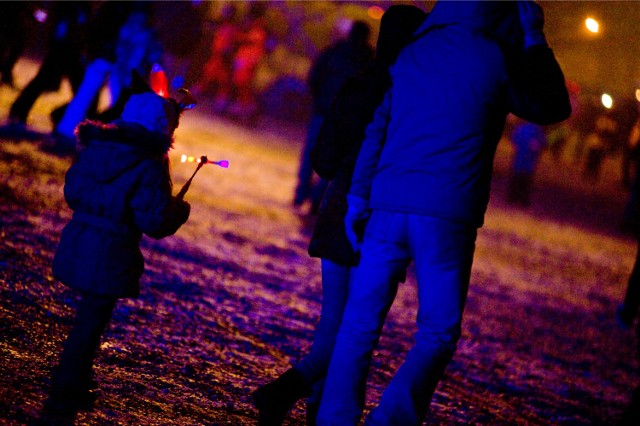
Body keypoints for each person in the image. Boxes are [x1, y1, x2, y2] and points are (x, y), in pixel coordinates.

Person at [316, 1, 571, 424]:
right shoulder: (497, 54)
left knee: (359, 323)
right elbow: (552, 105)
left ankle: (336, 419)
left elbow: (379, 126)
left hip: (387, 204)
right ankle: (391, 418)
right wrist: (534, 37)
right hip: (447, 211)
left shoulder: (415, 49)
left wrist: (358, 198)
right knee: (436, 331)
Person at [251, 7, 428, 425]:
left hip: (339, 211)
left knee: (336, 326)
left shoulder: (360, 83)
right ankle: (284, 393)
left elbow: (324, 158)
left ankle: (311, 407)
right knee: (354, 333)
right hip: (378, 220)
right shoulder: (413, 96)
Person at [41, 79, 192, 417]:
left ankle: (75, 384)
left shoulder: (96, 147)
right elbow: (153, 221)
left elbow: (74, 192)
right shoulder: (150, 163)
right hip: (112, 251)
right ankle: (65, 393)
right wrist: (177, 210)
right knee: (89, 327)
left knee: (87, 323)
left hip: (79, 240)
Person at [293, 19, 374, 213]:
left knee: (311, 152)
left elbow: (314, 78)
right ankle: (317, 197)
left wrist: (320, 98)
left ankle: (301, 192)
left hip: (322, 111)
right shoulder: (368, 62)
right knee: (335, 159)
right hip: (347, 119)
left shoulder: (333, 52)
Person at [3, 2, 91, 135]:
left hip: (68, 47)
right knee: (80, 88)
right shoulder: (74, 6)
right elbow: (65, 22)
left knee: (49, 81)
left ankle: (22, 110)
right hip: (66, 47)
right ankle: (25, 111)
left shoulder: (80, 7)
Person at [507, 118, 547, 207]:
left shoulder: (522, 128)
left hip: (520, 160)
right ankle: (522, 199)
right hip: (529, 162)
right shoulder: (537, 131)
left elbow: (514, 138)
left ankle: (513, 198)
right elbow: (542, 143)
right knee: (525, 181)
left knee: (517, 178)